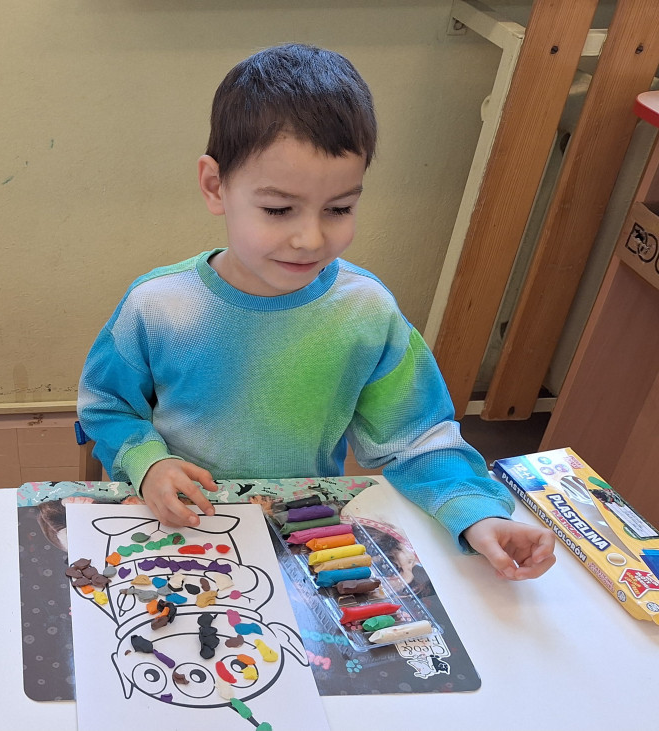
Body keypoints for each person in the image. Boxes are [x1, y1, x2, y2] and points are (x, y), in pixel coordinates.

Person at [77, 44, 555, 581]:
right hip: (179, 526)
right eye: (278, 209)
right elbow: (106, 407)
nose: (310, 238)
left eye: (339, 208)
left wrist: (478, 513)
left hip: (302, 533)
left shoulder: (365, 310)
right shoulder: (159, 304)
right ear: (216, 187)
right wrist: (148, 464)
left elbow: (417, 437)